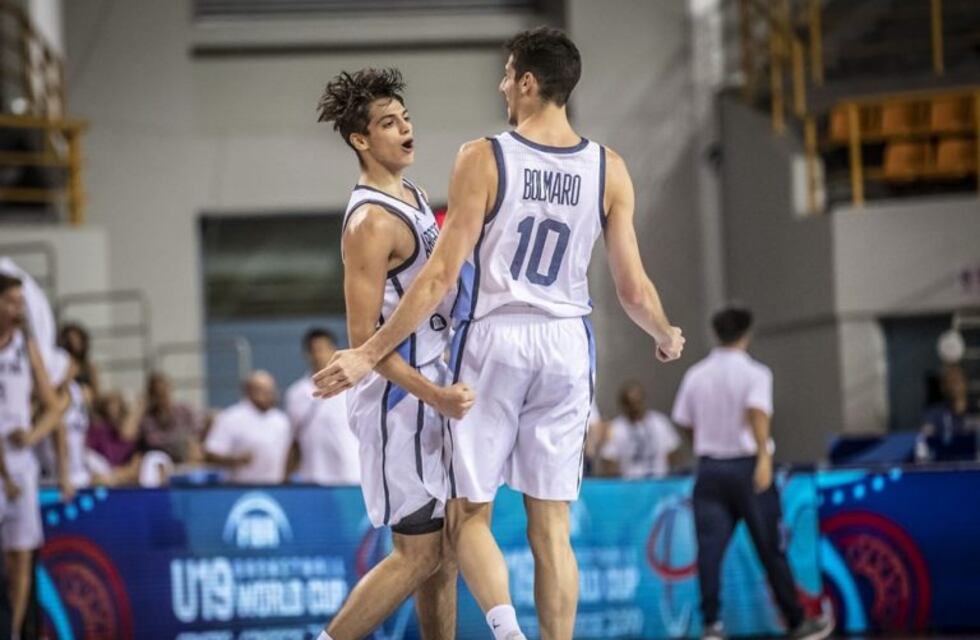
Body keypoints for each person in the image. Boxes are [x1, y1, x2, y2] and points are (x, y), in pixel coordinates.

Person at [314, 28, 685, 640]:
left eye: (508, 74)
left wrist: (371, 356)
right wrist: (666, 333)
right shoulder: (609, 167)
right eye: (390, 122)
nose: (502, 84)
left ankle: (506, 627)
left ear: (529, 83)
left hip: (490, 342)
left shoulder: (479, 158)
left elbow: (436, 281)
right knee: (522, 534)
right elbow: (635, 292)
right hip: (556, 343)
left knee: (464, 523)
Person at [312, 67, 474, 640]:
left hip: (432, 387)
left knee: (446, 551)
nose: (406, 129)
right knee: (416, 555)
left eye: (405, 118)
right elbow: (364, 346)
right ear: (361, 140)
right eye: (388, 122)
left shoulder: (411, 194)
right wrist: (435, 394)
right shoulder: (370, 222)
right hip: (397, 400)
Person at [671, 306, 832, 640]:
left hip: (710, 468)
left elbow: (684, 421)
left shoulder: (696, 374)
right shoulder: (756, 373)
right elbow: (757, 412)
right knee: (770, 548)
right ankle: (797, 621)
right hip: (747, 467)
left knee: (710, 552)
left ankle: (712, 625)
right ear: (747, 333)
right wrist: (763, 457)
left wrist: (704, 444)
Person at [0, 274, 69, 639]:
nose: (18, 308)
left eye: (20, 301)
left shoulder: (26, 348)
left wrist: (33, 433)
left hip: (19, 462)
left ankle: (12, 632)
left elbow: (55, 404)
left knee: (21, 556)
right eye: (10, 301)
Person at [285, 328, 360, 485]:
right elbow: (295, 439)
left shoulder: (353, 386)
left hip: (350, 474)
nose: (319, 355)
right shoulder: (295, 393)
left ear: (334, 351)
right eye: (314, 351)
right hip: (313, 476)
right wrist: (285, 476)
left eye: (324, 349)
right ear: (307, 354)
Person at [204, 371, 291, 484]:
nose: (268, 395)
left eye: (270, 390)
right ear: (249, 391)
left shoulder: (281, 420)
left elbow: (290, 453)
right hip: (239, 488)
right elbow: (211, 453)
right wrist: (234, 460)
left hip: (274, 488)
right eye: (262, 390)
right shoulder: (230, 418)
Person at [600, 381, 679, 478]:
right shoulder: (615, 428)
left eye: (638, 402)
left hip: (658, 482)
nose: (635, 407)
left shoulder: (660, 422)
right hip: (630, 485)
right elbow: (609, 459)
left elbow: (672, 452)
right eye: (630, 403)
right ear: (623, 405)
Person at [136, 372, 202, 465]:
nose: (163, 396)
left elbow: (196, 435)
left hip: (185, 458)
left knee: (194, 448)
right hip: (161, 461)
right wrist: (141, 406)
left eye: (165, 391)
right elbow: (152, 442)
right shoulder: (148, 418)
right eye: (158, 393)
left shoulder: (184, 411)